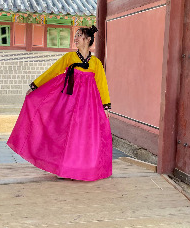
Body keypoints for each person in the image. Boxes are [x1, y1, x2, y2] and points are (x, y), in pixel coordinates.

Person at [7, 25, 112, 181]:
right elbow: (53, 71)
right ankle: (61, 166)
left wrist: (106, 106)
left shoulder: (96, 63)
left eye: (79, 35)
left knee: (83, 135)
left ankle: (82, 167)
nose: (75, 38)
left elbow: (102, 85)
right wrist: (35, 85)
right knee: (64, 133)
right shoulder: (69, 58)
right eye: (75, 35)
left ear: (88, 39)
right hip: (68, 103)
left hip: (88, 105)